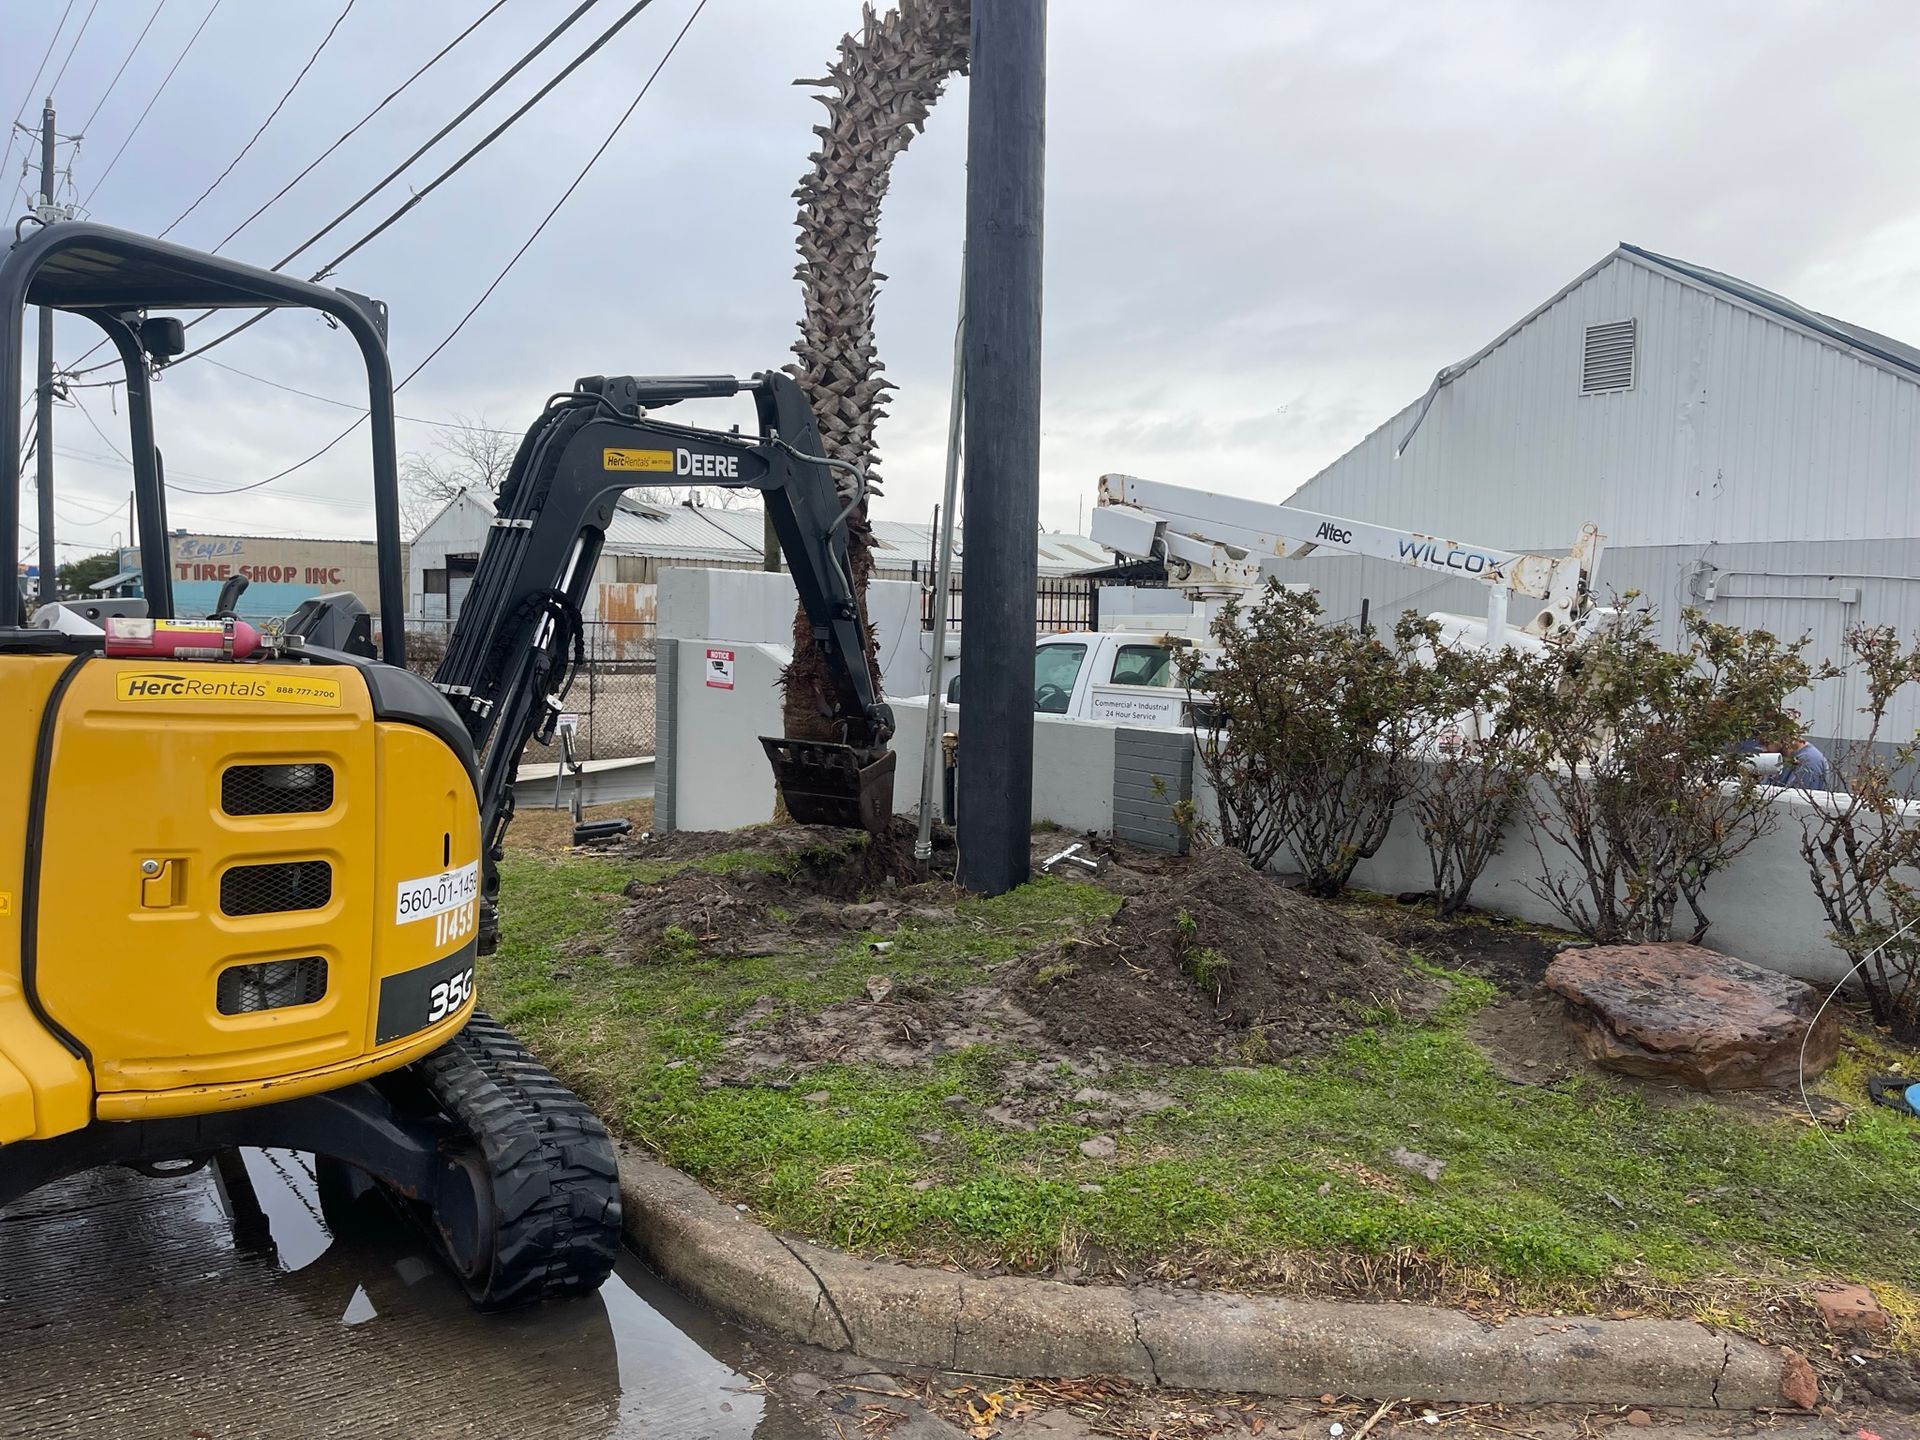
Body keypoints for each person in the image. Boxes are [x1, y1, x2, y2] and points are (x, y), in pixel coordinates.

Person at [1764, 733, 1831, 791]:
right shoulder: (1787, 757)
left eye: (1765, 743)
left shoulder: (1808, 761)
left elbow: (1796, 801)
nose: (1763, 749)